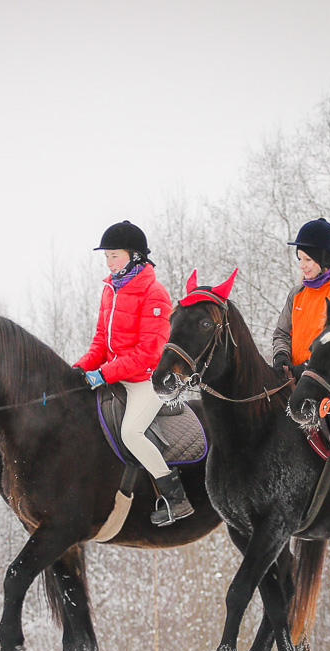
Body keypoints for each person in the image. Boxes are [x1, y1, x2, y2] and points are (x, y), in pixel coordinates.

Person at [74, 220, 192, 526]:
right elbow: (101, 340)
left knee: (131, 433)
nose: (110, 262)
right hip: (115, 375)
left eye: (115, 256)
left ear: (135, 256)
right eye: (107, 257)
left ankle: (175, 497)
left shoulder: (155, 293)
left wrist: (105, 373)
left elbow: (149, 353)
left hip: (147, 380)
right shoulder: (110, 291)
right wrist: (80, 368)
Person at [270, 218, 330, 512]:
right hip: (293, 378)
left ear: (325, 260)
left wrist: (311, 366)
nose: (302, 266)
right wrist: (281, 357)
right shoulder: (296, 294)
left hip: (327, 382)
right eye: (300, 259)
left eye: (308, 259)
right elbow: (282, 333)